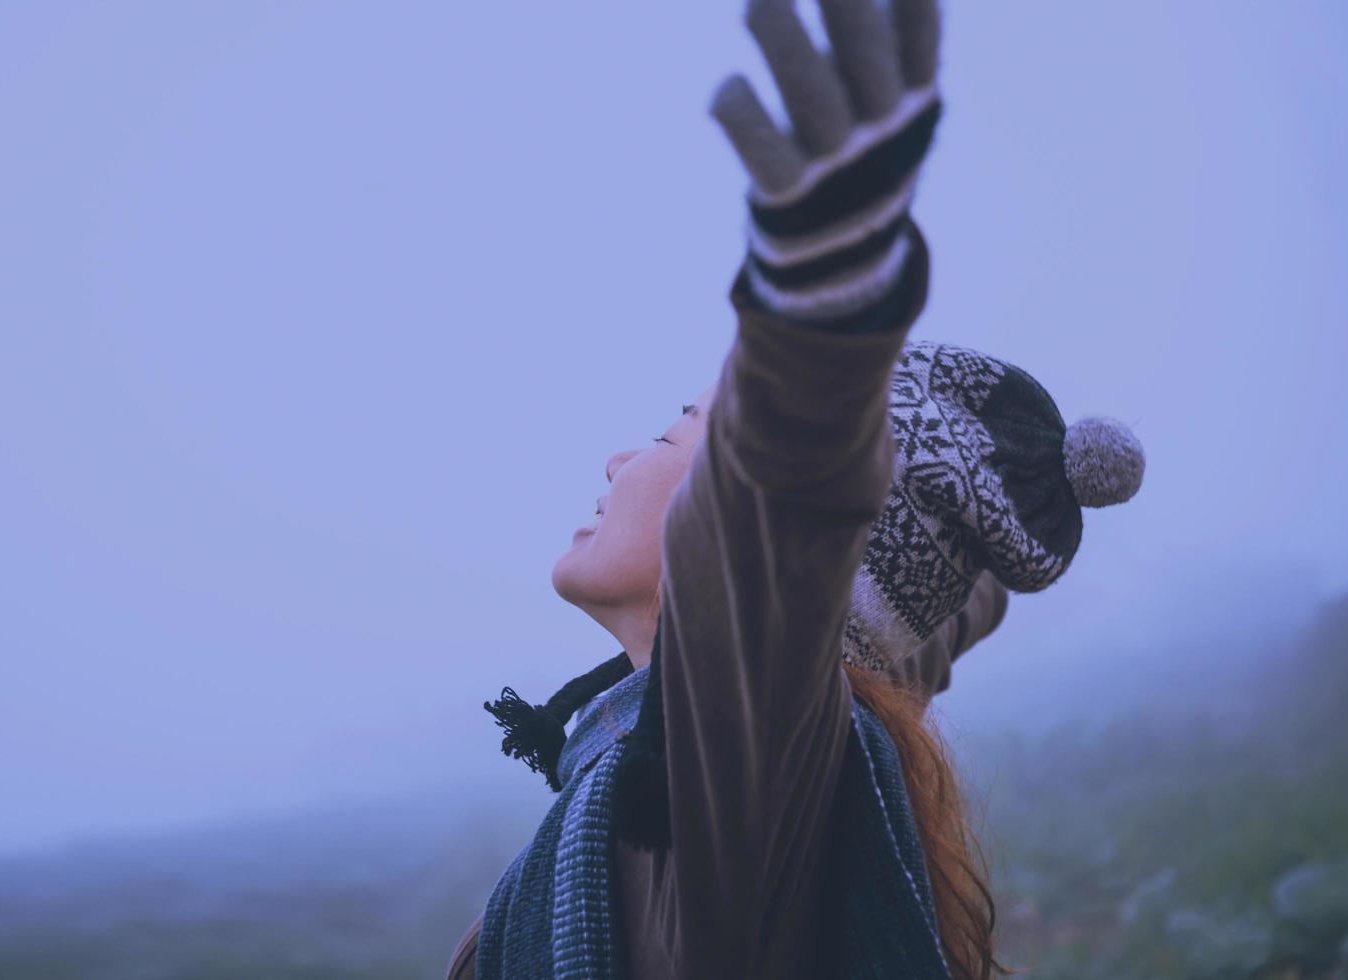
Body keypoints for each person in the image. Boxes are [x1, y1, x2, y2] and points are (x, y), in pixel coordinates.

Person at [449, 1, 1144, 977]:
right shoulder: (744, 746)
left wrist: (820, 291)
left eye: (676, 433)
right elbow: (900, 604)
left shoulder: (743, 758)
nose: (616, 458)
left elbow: (792, 507)